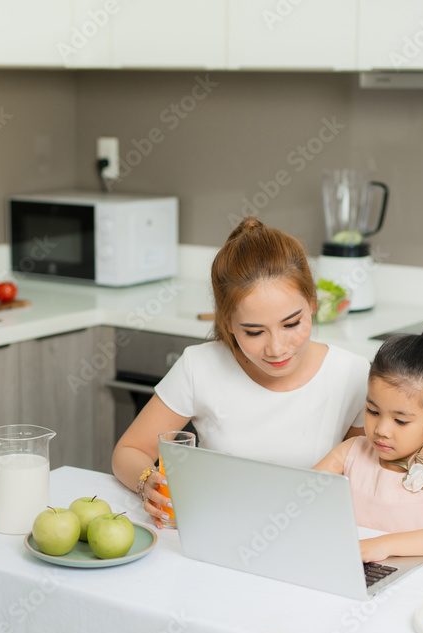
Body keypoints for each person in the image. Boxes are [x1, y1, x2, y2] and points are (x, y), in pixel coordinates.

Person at [112, 218, 370, 527]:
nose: (277, 348)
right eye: (254, 332)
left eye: (291, 324)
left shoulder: (351, 374)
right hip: (218, 530)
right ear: (228, 324)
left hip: (310, 533)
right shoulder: (200, 366)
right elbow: (129, 450)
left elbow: (367, 475)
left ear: (312, 303)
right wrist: (148, 482)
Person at [314, 324, 423, 562]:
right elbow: (300, 500)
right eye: (372, 411)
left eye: (400, 421)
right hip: (360, 570)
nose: (381, 430)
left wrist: (382, 546)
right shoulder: (350, 452)